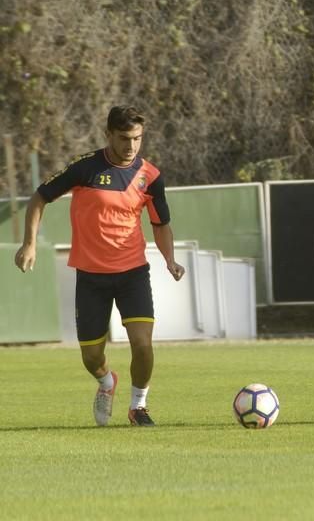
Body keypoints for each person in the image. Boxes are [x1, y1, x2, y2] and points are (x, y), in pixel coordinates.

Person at [15, 105, 185, 427]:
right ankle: (107, 382)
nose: (131, 146)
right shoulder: (86, 168)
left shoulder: (150, 176)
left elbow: (160, 224)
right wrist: (29, 243)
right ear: (108, 135)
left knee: (143, 345)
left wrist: (169, 260)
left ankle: (138, 406)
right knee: (91, 357)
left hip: (133, 272)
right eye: (124, 138)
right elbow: (39, 198)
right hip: (91, 276)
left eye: (137, 138)